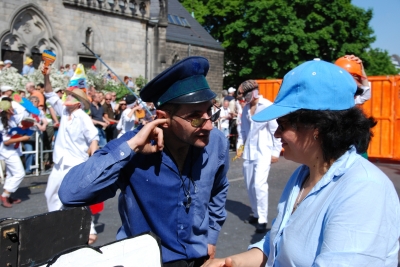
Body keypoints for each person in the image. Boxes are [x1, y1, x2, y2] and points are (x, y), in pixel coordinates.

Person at [203, 59, 400, 267]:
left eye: (283, 124)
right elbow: (276, 244)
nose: (277, 133)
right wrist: (231, 262)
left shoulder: (364, 190)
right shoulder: (304, 175)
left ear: (318, 127)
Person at [59, 56, 230, 266]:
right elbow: (70, 193)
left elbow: (219, 188)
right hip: (145, 260)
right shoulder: (133, 145)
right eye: (196, 117)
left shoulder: (216, 142)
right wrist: (130, 149)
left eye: (211, 113)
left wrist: (211, 236)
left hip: (198, 258)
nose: (209, 126)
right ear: (163, 118)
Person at [42, 66, 99, 243]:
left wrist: (94, 161)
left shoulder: (83, 116)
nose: (67, 97)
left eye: (72, 96)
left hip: (75, 164)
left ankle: (90, 231)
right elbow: (50, 94)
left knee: (75, 198)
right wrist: (46, 75)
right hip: (60, 162)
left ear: (79, 102)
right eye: (68, 95)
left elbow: (94, 138)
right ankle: (59, 223)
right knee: (50, 194)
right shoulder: (63, 111)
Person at [235, 80, 282, 234]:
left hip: (263, 151)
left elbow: (276, 131)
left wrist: (276, 152)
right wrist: (239, 148)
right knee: (249, 184)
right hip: (249, 151)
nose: (243, 99)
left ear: (253, 92)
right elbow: (243, 131)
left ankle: (262, 218)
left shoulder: (267, 106)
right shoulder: (246, 108)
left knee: (259, 185)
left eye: (245, 95)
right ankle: (255, 213)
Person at [0, 99, 30, 208]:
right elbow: (6, 141)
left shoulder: (11, 118)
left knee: (11, 174)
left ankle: (8, 195)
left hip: (13, 150)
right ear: (8, 109)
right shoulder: (2, 123)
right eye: (11, 107)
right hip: (7, 151)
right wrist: (23, 137)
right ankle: (4, 195)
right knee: (19, 174)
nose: (13, 109)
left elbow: (24, 115)